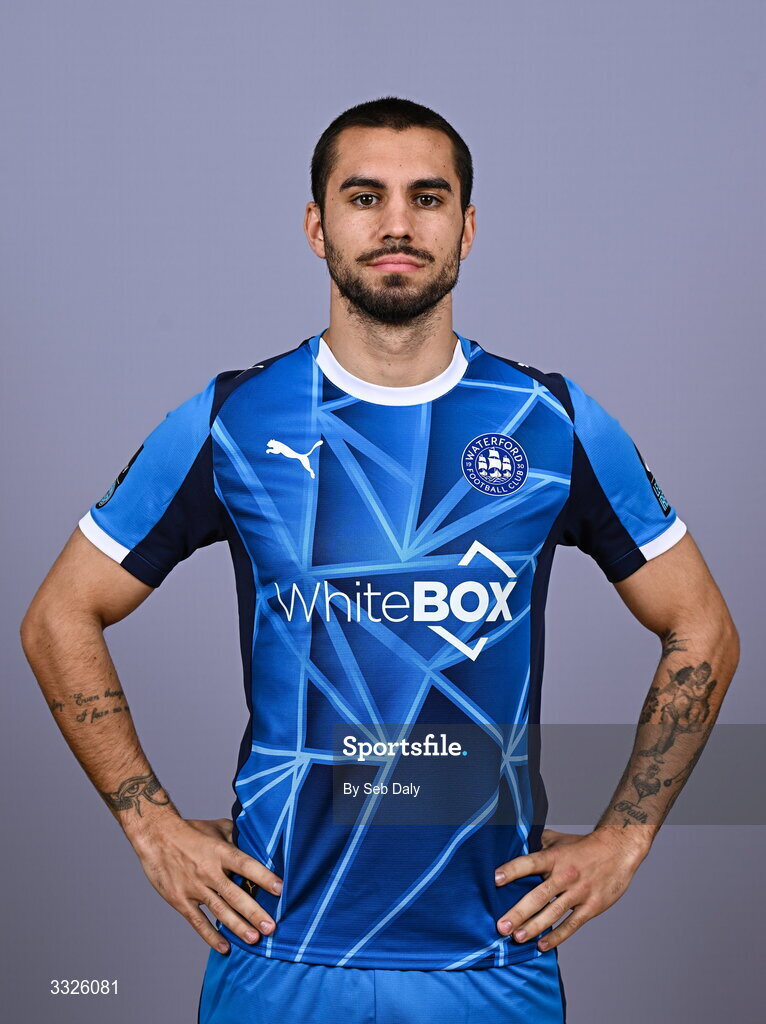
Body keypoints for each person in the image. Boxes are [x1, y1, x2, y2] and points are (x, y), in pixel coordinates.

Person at [20, 97, 739, 1024]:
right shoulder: (231, 419)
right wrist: (148, 825)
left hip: (493, 956)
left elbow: (704, 626)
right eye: (365, 197)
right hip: (280, 950)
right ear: (317, 224)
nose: (396, 223)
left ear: (467, 228)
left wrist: (627, 837)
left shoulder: (550, 422)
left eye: (427, 198)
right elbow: (57, 616)